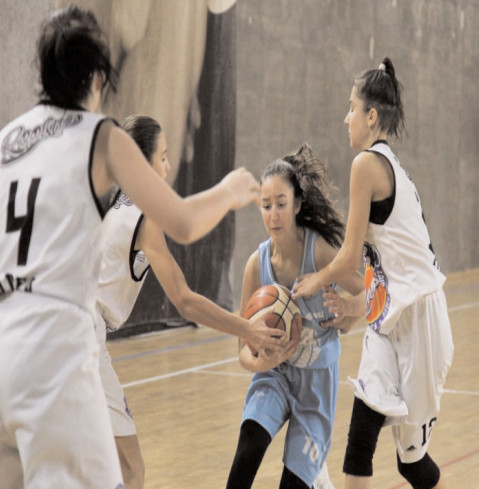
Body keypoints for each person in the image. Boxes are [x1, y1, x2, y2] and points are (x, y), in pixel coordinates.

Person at [0, 6, 279, 489]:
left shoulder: (8, 140)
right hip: (59, 345)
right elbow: (184, 224)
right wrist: (229, 191)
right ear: (96, 79)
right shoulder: (100, 137)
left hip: (5, 343)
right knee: (128, 474)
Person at [96, 114, 288, 489]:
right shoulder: (143, 217)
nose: (168, 166)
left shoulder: (116, 203)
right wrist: (247, 328)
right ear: (142, 163)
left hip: (67, 335)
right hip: (83, 341)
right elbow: (184, 301)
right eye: (163, 156)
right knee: (131, 469)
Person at [292, 58, 454, 489]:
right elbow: (383, 272)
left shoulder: (367, 164)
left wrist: (314, 280)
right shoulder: (381, 164)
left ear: (371, 116)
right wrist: (354, 306)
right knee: (359, 440)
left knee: (411, 465)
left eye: (351, 108)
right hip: (391, 321)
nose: (345, 118)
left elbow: (349, 258)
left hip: (421, 321)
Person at [225, 143, 364, 489]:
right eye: (266, 206)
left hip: (316, 387)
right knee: (248, 449)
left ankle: (317, 478)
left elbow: (372, 296)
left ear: (298, 204)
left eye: (281, 204)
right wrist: (259, 362)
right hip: (274, 375)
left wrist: (348, 309)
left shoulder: (320, 252)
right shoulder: (256, 265)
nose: (273, 215)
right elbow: (242, 350)